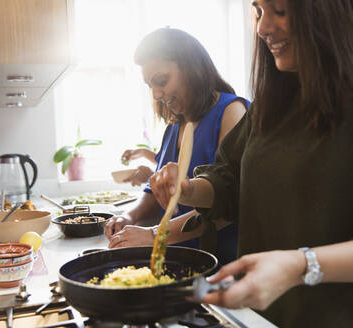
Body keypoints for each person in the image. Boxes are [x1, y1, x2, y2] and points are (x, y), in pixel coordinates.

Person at [149, 1, 353, 327]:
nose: (262, 28)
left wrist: (300, 265)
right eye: (259, 10)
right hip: (265, 317)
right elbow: (231, 178)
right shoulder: (277, 92)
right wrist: (188, 189)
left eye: (280, 9)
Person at [104, 27, 250, 265]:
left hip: (221, 266)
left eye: (161, 81)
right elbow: (155, 193)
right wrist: (129, 216)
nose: (155, 93)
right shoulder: (175, 124)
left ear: (193, 68)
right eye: (149, 85)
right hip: (177, 263)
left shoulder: (231, 112)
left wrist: (154, 235)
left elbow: (229, 203)